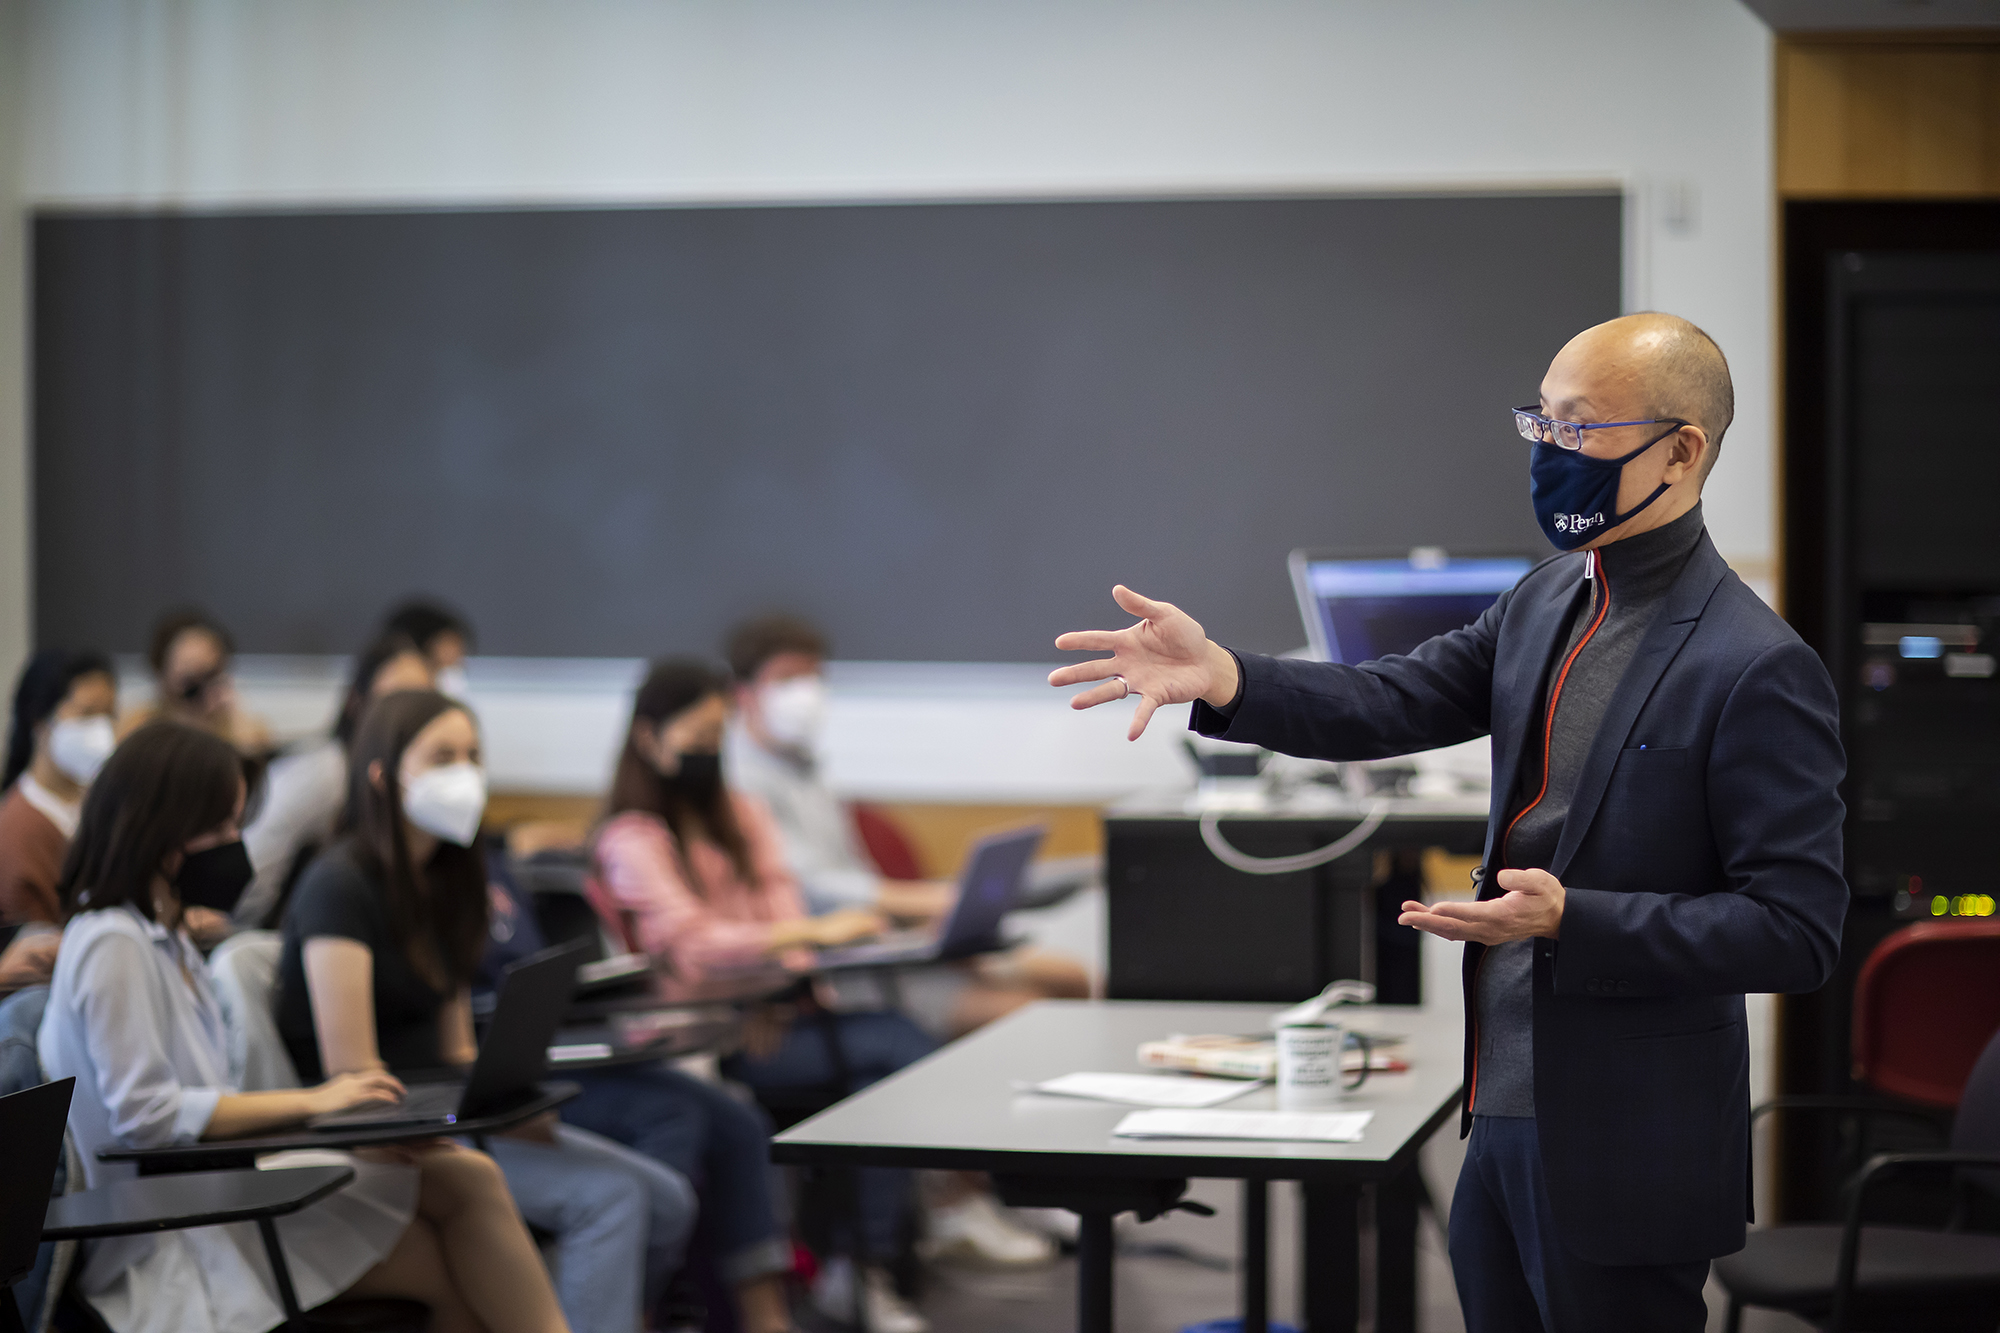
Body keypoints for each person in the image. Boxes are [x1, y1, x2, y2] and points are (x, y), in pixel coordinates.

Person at [1050, 313, 1848, 1333]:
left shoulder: (1754, 662)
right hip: (1499, 1111)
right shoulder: (1546, 597)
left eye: (1580, 429)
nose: (1548, 454)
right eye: (1540, 424)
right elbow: (1386, 701)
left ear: (1680, 448)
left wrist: (1574, 917)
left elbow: (1794, 930)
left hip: (1625, 1146)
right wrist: (1228, 680)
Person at [36, 720, 570, 1333]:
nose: (235, 843)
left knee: (465, 1177)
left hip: (220, 1194)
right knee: (455, 1269)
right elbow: (146, 1118)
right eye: (219, 828)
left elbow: (202, 1109)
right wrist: (316, 1103)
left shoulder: (170, 939)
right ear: (159, 826)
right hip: (170, 1230)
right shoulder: (111, 941)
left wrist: (333, 1126)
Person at [590, 659, 1051, 1333]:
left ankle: (857, 1263)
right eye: (695, 734)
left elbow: (775, 915)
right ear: (648, 737)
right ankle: (870, 1253)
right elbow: (692, 947)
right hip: (698, 1036)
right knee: (897, 1046)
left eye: (718, 734)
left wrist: (778, 980)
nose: (708, 750)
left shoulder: (739, 812)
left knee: (885, 1063)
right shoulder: (631, 838)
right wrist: (790, 944)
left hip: (776, 1017)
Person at [277, 689, 695, 1333]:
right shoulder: (339, 886)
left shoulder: (450, 879)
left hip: (451, 1112)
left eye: (472, 755)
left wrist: (506, 1103)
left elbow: (455, 1048)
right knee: (610, 1200)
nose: (464, 772)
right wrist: (462, 1123)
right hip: (388, 1133)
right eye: (442, 756)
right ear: (382, 776)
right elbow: (351, 1076)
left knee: (669, 1201)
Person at [723, 615, 1091, 1036]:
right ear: (744, 693)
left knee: (1071, 977)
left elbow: (853, 873)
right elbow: (812, 889)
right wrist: (931, 901)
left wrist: (921, 926)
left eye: (813, 678)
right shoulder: (737, 783)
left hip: (885, 946)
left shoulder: (806, 769)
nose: (805, 694)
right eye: (787, 680)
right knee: (1026, 1013)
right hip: (841, 969)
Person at [481, 856, 800, 1333]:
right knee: (670, 1118)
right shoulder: (631, 842)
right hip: (514, 1075)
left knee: (739, 1125)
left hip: (574, 1041)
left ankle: (768, 1321)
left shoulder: (489, 866)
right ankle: (636, 1313)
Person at [234, 632, 434, 928]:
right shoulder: (325, 772)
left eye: (424, 703)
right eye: (394, 700)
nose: (408, 718)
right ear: (357, 702)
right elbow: (250, 878)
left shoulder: (415, 778)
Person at [0, 649, 118, 993]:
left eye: (109, 715)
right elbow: (35, 954)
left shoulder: (104, 804)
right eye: (86, 715)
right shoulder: (18, 827)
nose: (101, 730)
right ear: (40, 721)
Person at [120, 608, 272, 758]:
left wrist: (232, 713)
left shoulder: (236, 725)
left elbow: (254, 761)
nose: (199, 681)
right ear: (162, 669)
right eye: (188, 667)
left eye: (208, 671)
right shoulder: (139, 722)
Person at [382, 598, 474, 700]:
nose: (460, 654)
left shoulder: (426, 675)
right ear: (431, 641)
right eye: (454, 644)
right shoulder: (409, 671)